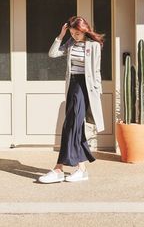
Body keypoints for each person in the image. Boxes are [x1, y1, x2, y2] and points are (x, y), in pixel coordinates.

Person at [38, 16, 105, 183]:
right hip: (73, 86)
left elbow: (96, 72)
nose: (75, 36)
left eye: (78, 33)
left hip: (86, 87)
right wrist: (61, 35)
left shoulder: (94, 45)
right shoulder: (70, 43)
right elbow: (53, 53)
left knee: (71, 125)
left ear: (84, 31)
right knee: (74, 126)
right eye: (73, 33)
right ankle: (81, 169)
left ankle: (59, 168)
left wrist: (97, 93)